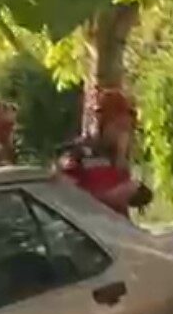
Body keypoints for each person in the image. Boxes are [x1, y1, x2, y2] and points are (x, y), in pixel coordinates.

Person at [56, 88, 153, 218]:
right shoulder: (77, 154)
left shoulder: (117, 157)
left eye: (126, 129)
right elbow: (66, 202)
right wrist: (110, 197)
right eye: (118, 127)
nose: (123, 135)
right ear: (101, 124)